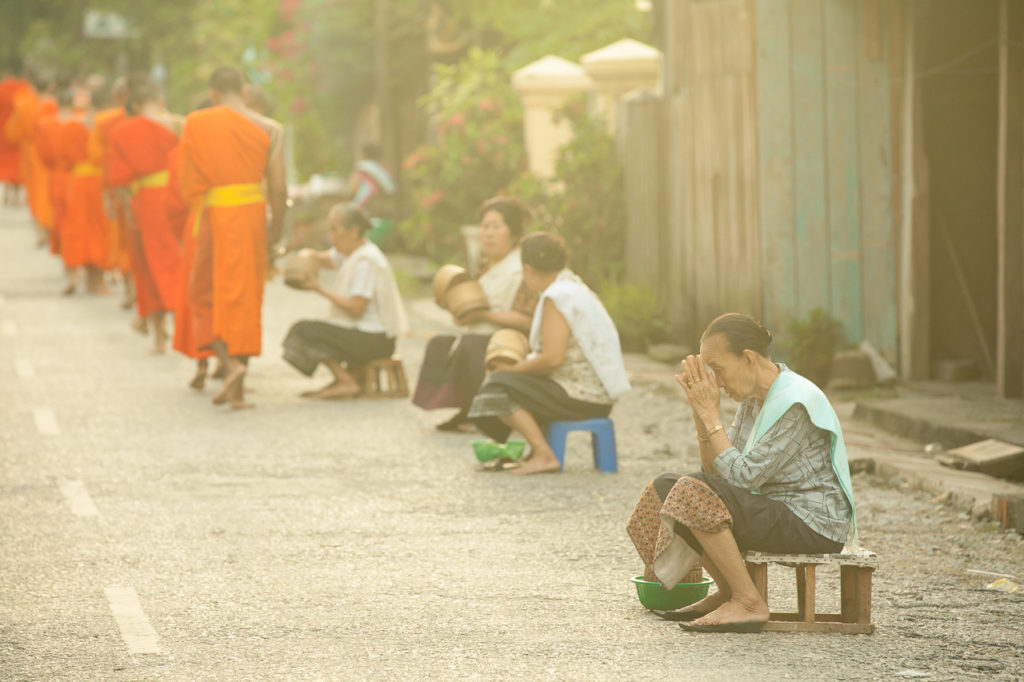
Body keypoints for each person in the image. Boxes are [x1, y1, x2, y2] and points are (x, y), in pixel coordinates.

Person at [626, 313, 857, 633]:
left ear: (748, 358)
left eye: (718, 368)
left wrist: (711, 414)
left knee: (692, 490)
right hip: (776, 508)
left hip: (812, 521)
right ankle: (728, 593)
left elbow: (743, 478)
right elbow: (717, 473)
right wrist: (700, 414)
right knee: (669, 486)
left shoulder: (795, 401)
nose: (716, 381)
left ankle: (748, 601)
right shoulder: (754, 399)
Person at [467, 232, 630, 475]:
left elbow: (553, 358)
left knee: (497, 385)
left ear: (528, 269)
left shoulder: (558, 296)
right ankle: (540, 450)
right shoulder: (575, 288)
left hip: (583, 397)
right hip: (596, 396)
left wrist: (511, 370)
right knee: (509, 382)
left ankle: (544, 454)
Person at [178, 66, 287, 409]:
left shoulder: (195, 123)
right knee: (244, 296)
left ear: (212, 93)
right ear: (243, 89)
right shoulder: (271, 128)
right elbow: (280, 190)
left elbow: (187, 181)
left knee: (204, 292)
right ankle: (238, 390)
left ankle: (230, 364)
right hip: (253, 215)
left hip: (215, 214)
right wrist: (275, 234)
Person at [413, 197, 536, 432]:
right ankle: (466, 407)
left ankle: (483, 412)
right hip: (482, 334)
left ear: (513, 233)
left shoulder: (522, 268)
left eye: (496, 227)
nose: (488, 233)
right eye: (485, 227)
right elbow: (469, 312)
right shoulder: (486, 266)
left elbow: (528, 320)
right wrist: (453, 306)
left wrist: (483, 316)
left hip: (512, 342)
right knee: (439, 344)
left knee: (472, 344)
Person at [282, 203, 408, 399]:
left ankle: (345, 381)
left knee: (304, 330)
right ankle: (347, 378)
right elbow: (328, 259)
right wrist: (307, 255)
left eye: (335, 230)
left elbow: (356, 308)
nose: (330, 237)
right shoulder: (354, 252)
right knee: (315, 329)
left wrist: (318, 288)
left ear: (353, 231)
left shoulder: (366, 261)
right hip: (367, 336)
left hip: (374, 340)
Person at [106, 77, 183, 353]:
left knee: (148, 267)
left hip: (145, 202)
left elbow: (118, 179)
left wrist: (129, 209)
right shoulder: (178, 125)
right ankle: (186, 328)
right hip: (177, 197)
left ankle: (160, 338)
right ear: (161, 102)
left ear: (135, 105)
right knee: (177, 262)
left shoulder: (123, 131)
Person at [59, 84, 112, 294]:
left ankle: (74, 275)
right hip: (99, 181)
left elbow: (63, 157)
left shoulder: (72, 125)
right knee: (100, 229)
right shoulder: (106, 125)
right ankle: (97, 282)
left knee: (77, 228)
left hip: (77, 181)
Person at [90, 77, 134, 310]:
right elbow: (103, 159)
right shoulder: (106, 122)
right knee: (126, 240)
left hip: (129, 187)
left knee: (128, 239)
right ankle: (130, 286)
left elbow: (97, 157)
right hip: (123, 187)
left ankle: (132, 288)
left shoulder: (106, 121)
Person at [5, 75, 56, 246]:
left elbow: (12, 131)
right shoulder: (52, 105)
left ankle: (40, 231)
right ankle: (50, 229)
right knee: (48, 189)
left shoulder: (24, 104)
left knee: (35, 191)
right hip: (50, 151)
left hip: (31, 151)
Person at [343, 142, 396, 247]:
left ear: (363, 155)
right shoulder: (385, 170)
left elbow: (350, 190)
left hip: (369, 217)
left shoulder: (362, 168)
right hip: (388, 219)